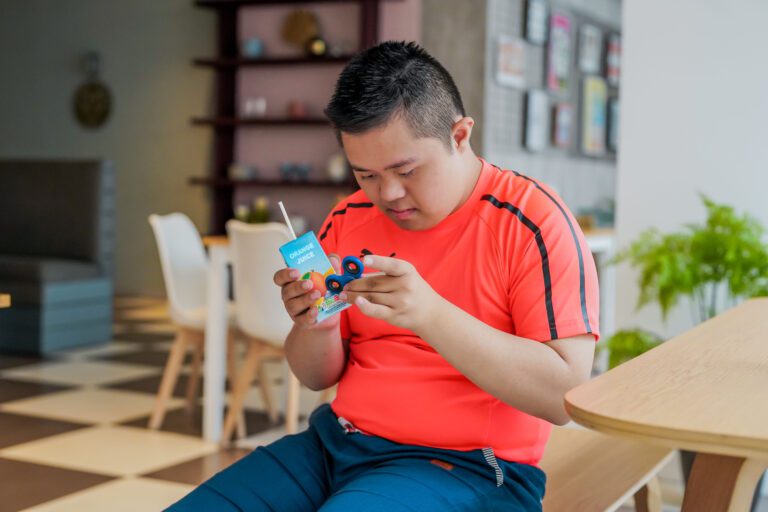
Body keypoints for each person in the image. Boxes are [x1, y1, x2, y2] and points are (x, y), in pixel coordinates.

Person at [168, 40, 599, 512]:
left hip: (475, 467)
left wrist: (430, 314)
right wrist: (318, 322)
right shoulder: (349, 217)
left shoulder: (533, 222)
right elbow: (315, 377)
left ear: (460, 136)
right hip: (336, 445)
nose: (388, 194)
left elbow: (564, 396)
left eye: (406, 170)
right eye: (366, 175)